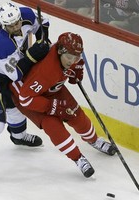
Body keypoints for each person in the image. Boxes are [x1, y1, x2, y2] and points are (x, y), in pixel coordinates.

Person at [10, 32, 117, 178]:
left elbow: (74, 61)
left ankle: (94, 140)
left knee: (76, 114)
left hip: (52, 88)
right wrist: (52, 106)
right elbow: (25, 98)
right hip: (31, 97)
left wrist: (77, 68)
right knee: (54, 127)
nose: (71, 61)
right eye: (69, 57)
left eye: (76, 57)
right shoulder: (46, 70)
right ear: (60, 51)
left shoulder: (69, 56)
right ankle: (78, 158)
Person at [0, 2, 50, 178]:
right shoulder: (2, 43)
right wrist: (34, 53)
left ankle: (18, 136)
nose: (15, 27)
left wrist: (44, 39)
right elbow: (16, 74)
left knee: (15, 105)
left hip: (2, 77)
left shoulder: (26, 14)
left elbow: (43, 23)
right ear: (3, 25)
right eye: (11, 26)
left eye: (17, 23)